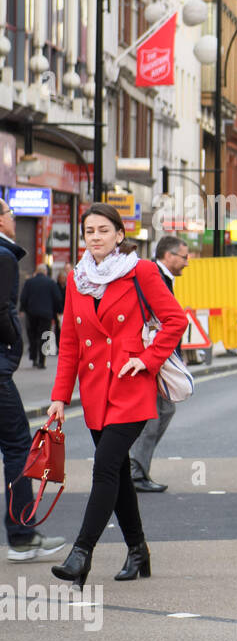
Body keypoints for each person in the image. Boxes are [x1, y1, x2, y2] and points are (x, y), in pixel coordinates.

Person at [47, 204, 187, 587]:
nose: (95, 236)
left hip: (131, 388)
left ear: (119, 235)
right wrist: (60, 396)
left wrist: (147, 360)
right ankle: (138, 549)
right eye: (89, 230)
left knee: (105, 467)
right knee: (120, 474)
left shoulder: (140, 272)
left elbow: (176, 321)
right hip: (94, 395)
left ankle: (81, 553)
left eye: (103, 230)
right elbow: (70, 344)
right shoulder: (77, 279)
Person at [0, 199, 65, 562]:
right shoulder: (5, 256)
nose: (14, 220)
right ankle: (22, 536)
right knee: (18, 445)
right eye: (11, 215)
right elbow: (3, 310)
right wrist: (13, 348)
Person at [129, 236, 189, 492]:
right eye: (184, 257)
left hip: (161, 357)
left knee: (164, 411)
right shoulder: (152, 275)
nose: (187, 263)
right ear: (169, 255)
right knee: (151, 418)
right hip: (150, 357)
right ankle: (133, 472)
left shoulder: (164, 277)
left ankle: (136, 469)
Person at [20, 265, 61, 369]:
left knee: (33, 336)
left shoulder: (29, 282)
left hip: (32, 313)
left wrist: (22, 309)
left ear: (37, 271)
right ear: (45, 272)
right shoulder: (51, 283)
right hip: (46, 314)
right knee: (44, 336)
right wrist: (58, 311)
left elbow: (24, 297)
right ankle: (42, 361)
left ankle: (34, 358)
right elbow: (57, 298)